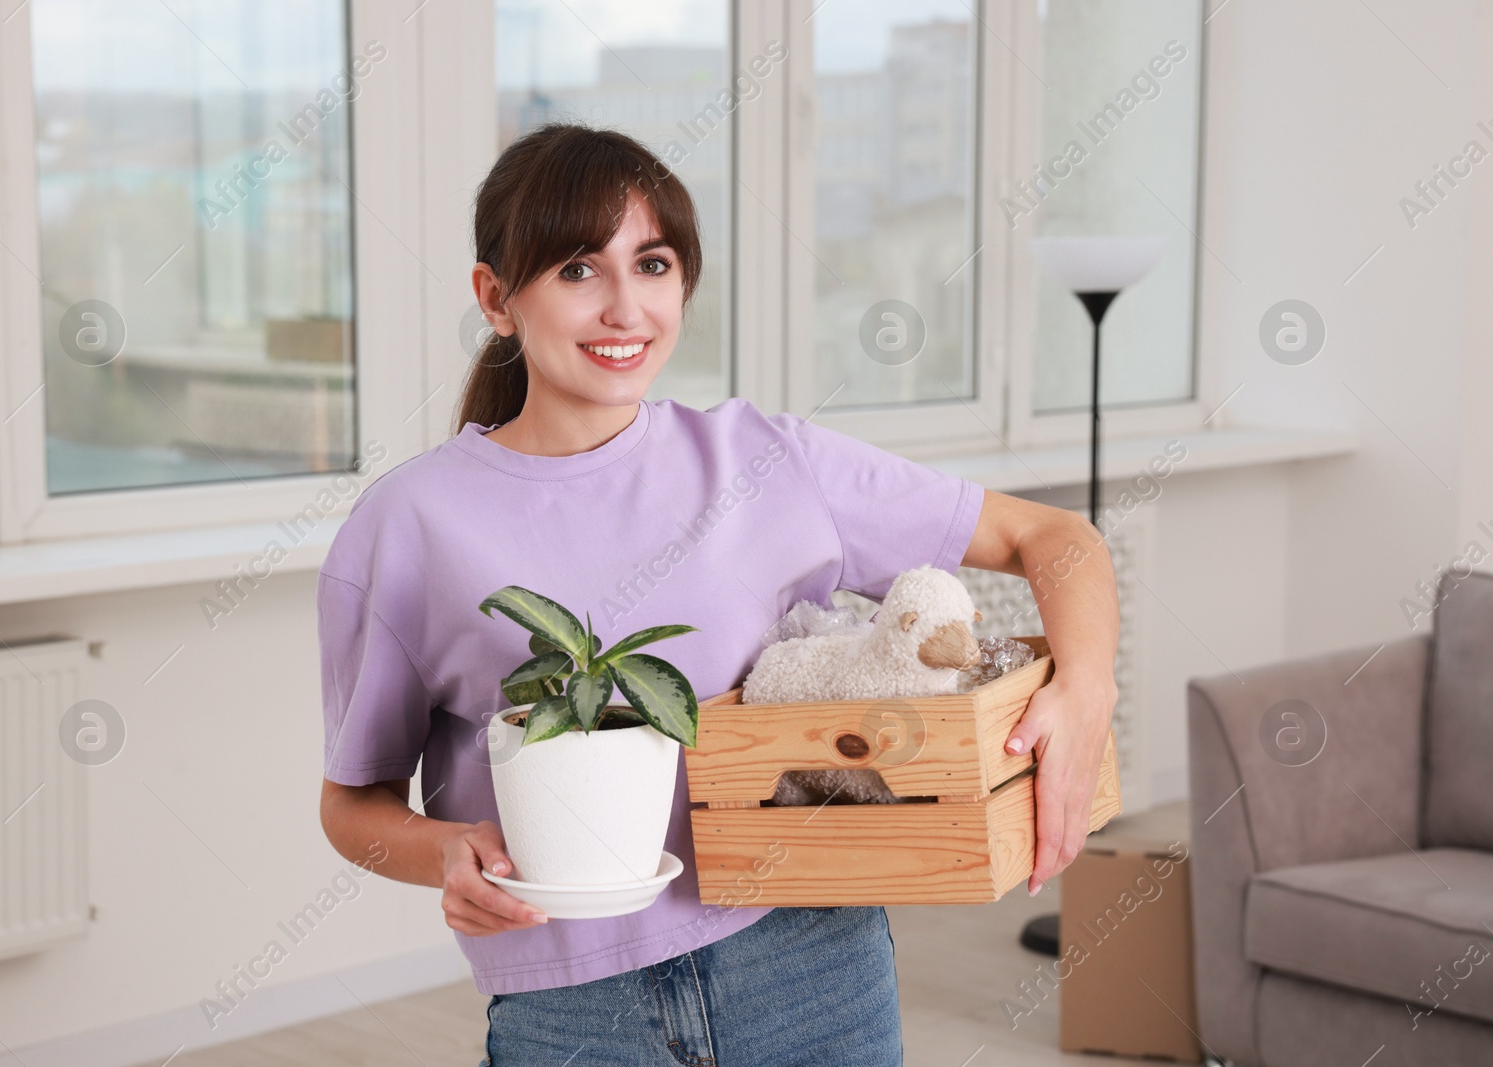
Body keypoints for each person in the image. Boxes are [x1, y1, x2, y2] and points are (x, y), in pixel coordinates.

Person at [316, 122, 1119, 1066]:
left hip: (810, 964)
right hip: (572, 1009)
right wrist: (444, 852)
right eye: (578, 270)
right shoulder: (409, 522)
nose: (625, 308)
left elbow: (1055, 539)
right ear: (497, 298)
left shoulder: (766, 461)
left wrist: (1085, 692)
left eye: (652, 265)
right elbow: (352, 804)